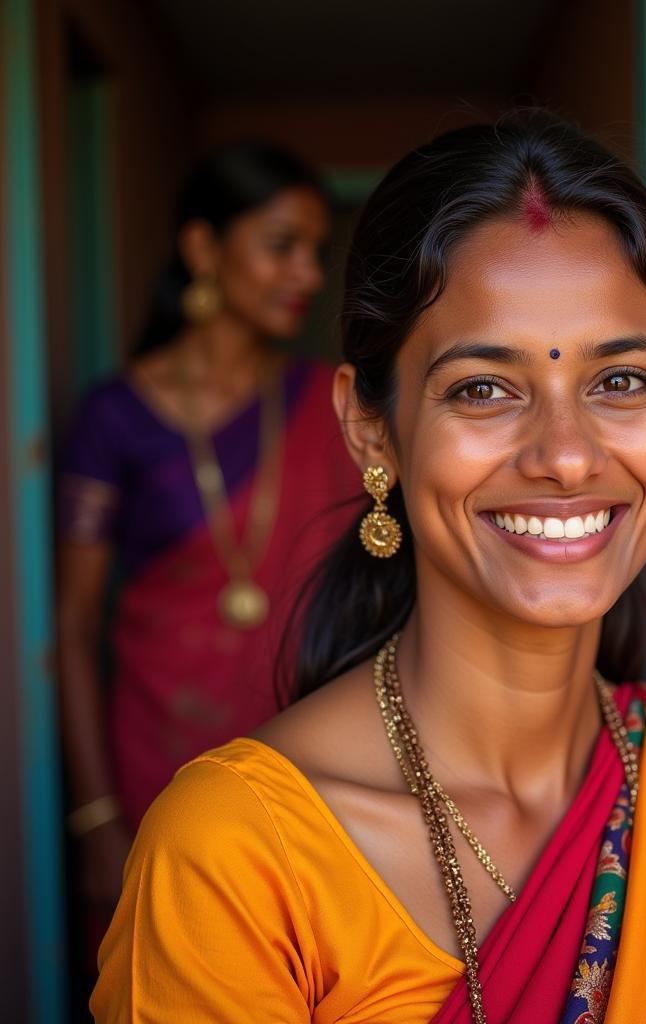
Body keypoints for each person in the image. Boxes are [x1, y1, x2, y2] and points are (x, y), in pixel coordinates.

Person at [92, 113, 646, 1023]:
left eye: (621, 380)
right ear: (372, 430)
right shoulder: (236, 856)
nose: (565, 456)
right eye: (483, 388)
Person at [56, 142, 362, 926]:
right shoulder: (114, 418)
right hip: (154, 750)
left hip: (304, 752)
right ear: (202, 248)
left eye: (315, 252)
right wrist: (96, 821)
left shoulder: (323, 405)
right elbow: (73, 627)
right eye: (281, 246)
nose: (307, 274)